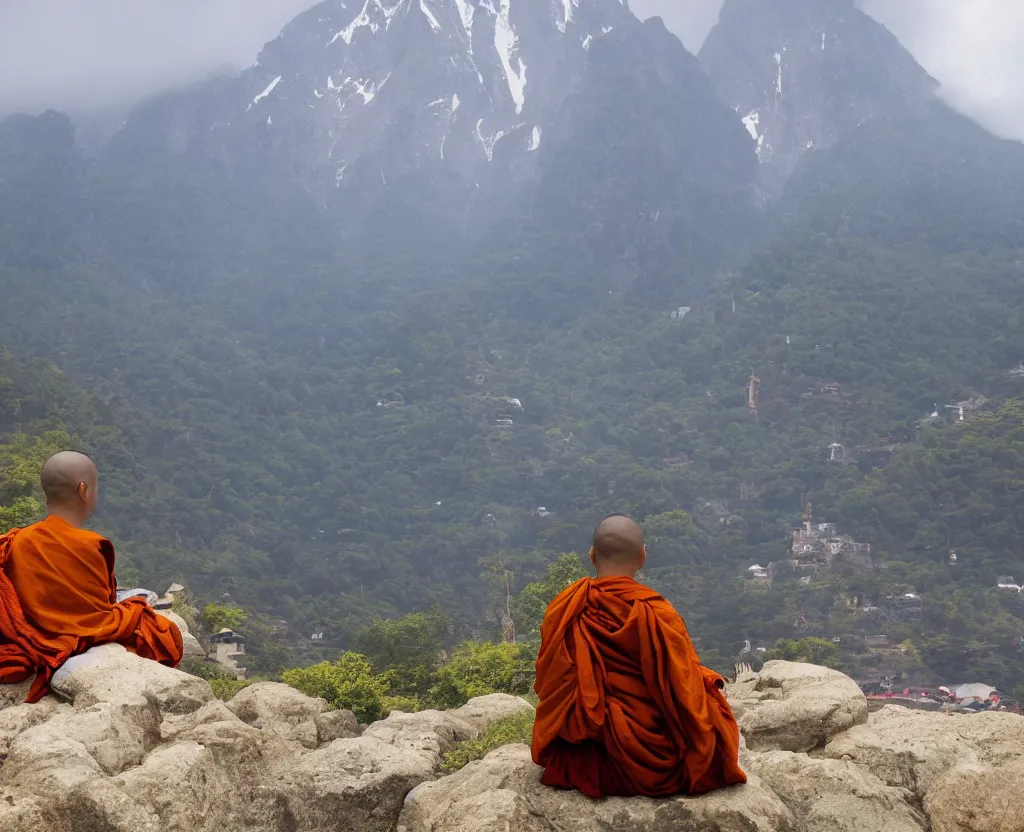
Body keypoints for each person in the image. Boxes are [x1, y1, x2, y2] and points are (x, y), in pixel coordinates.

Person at [531, 514, 746, 798]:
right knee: (706, 689)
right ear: (643, 556)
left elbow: (551, 685)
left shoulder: (566, 607)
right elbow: (685, 692)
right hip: (658, 755)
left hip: (589, 749)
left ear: (592, 555)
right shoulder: (657, 613)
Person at [0, 451, 183, 703]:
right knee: (154, 622)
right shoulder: (91, 545)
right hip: (72, 633)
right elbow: (98, 614)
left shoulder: (17, 541)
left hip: (33, 629)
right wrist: (134, 609)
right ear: (83, 490)